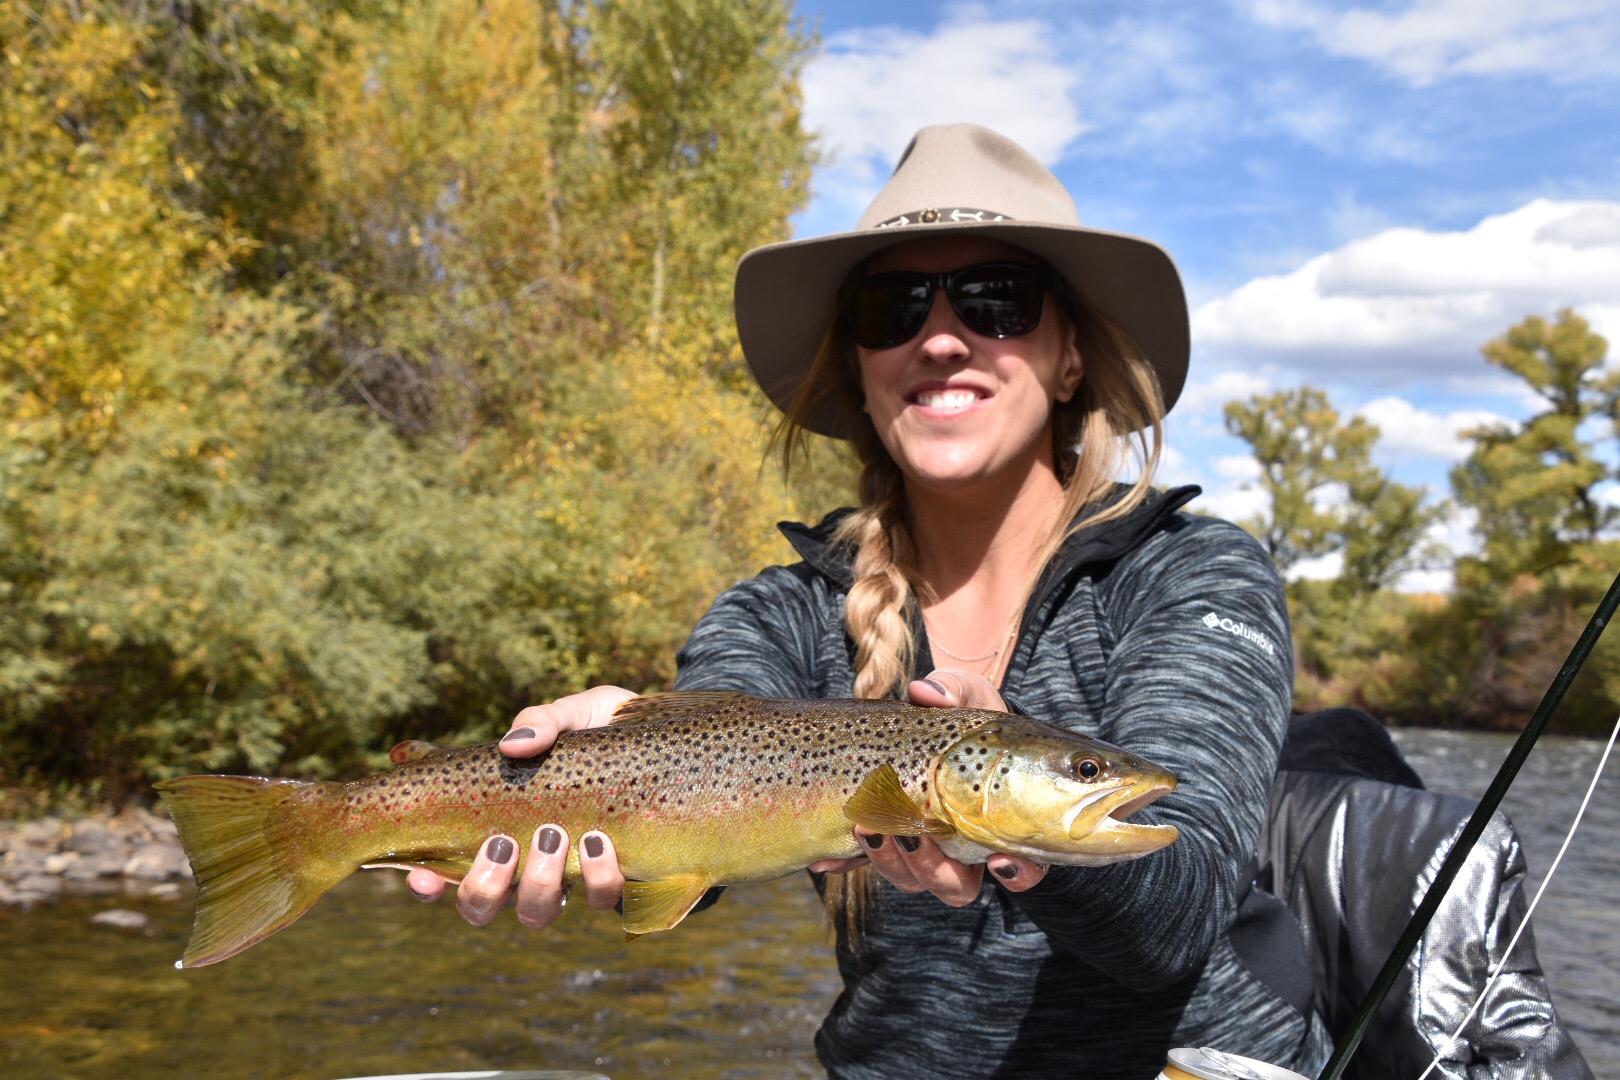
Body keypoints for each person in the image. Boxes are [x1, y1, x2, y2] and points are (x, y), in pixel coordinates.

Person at [407, 123, 1332, 1077]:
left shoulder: (1190, 576)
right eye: (891, 307)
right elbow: (700, 804)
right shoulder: (782, 612)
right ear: (858, 361)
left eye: (995, 300)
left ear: (1069, 360)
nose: (938, 338)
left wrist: (1022, 846)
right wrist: (597, 766)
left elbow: (1172, 919)